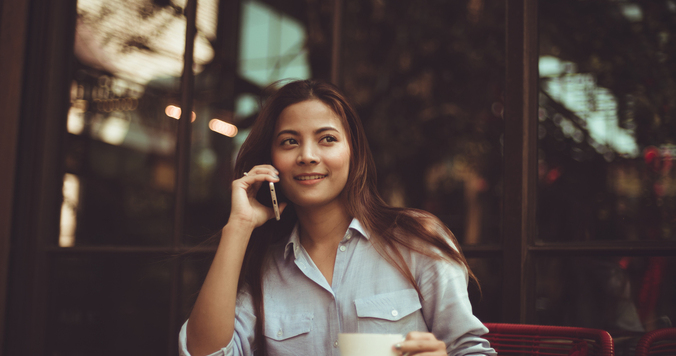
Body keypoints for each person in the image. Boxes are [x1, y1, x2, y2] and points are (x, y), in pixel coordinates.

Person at [179, 80, 495, 356]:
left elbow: (471, 351)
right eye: (290, 141)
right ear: (271, 162)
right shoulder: (265, 269)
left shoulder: (416, 240)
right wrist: (238, 227)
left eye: (327, 139)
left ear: (352, 152)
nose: (307, 155)